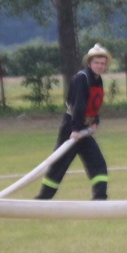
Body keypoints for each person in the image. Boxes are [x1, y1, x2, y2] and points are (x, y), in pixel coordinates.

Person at [35, 44, 111, 200]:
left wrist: (95, 121)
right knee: (59, 166)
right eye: (97, 63)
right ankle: (42, 200)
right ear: (89, 63)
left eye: (103, 63)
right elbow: (79, 105)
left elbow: (94, 103)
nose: (100, 66)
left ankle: (100, 200)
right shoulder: (81, 78)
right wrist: (75, 130)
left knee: (97, 163)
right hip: (72, 128)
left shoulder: (98, 80)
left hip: (84, 130)